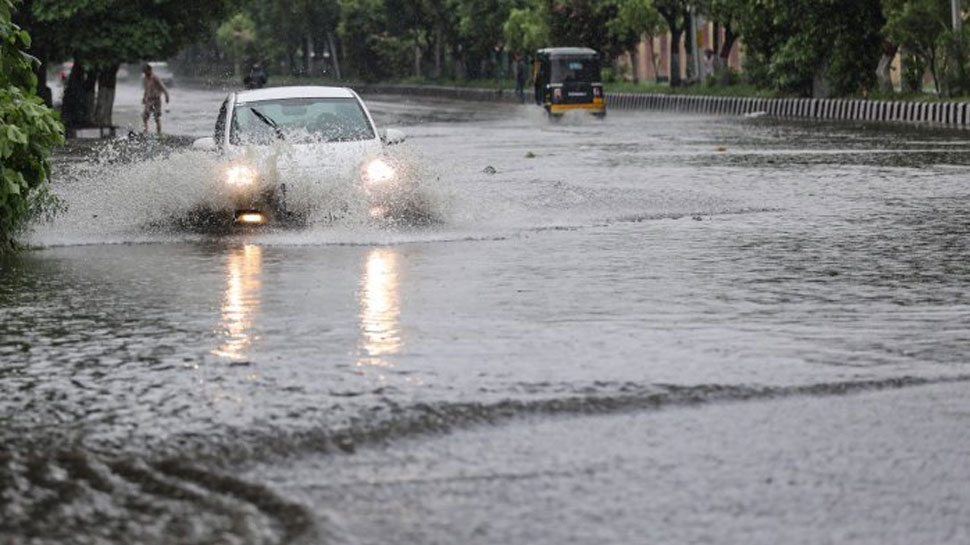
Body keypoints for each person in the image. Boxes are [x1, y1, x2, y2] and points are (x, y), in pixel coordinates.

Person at [141, 64, 170, 134]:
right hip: (149, 100)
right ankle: (145, 131)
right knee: (145, 116)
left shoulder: (155, 78)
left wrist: (166, 96)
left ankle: (158, 133)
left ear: (149, 70)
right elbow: (146, 89)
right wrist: (144, 98)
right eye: (144, 71)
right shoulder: (145, 78)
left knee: (156, 117)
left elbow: (163, 87)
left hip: (156, 100)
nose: (145, 72)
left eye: (146, 71)